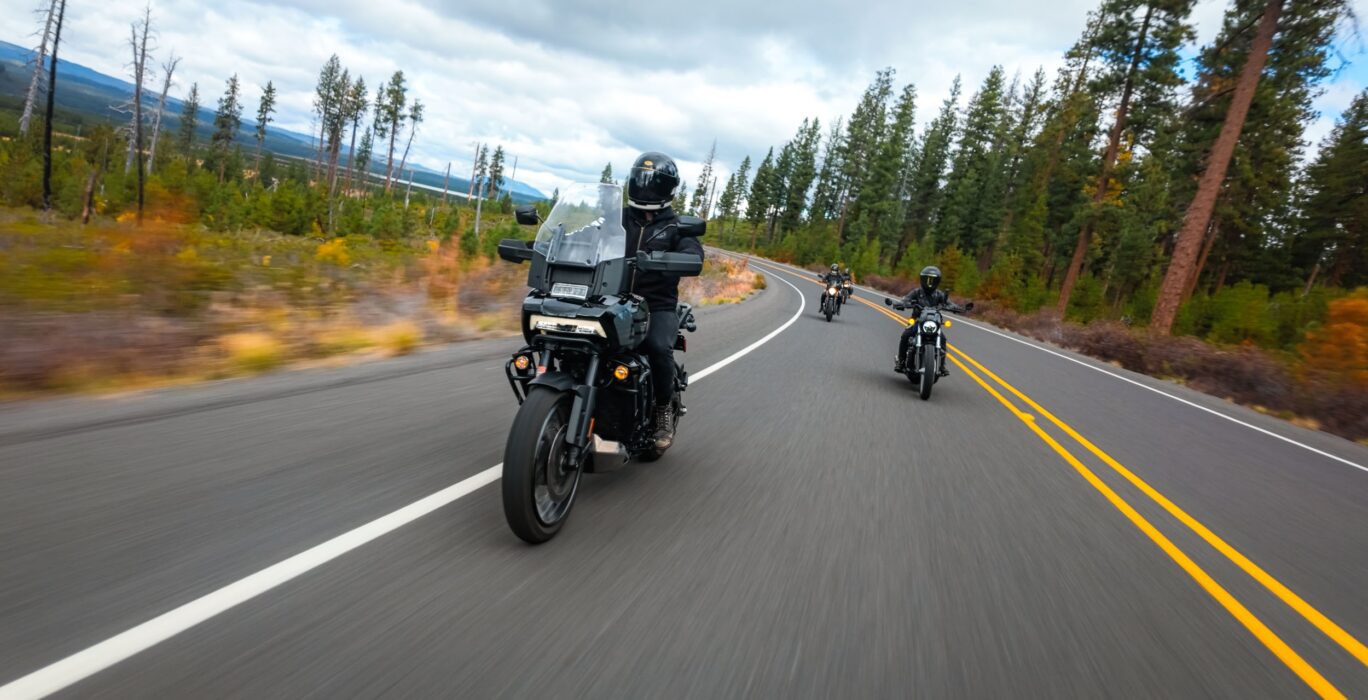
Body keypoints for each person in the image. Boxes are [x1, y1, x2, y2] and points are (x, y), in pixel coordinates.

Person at [623, 152, 704, 450]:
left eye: (652, 183)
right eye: (639, 180)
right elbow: (590, 236)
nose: (645, 188)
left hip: (656, 305)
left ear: (667, 188)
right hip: (613, 299)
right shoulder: (617, 218)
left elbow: (693, 254)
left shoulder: (676, 227)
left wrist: (680, 259)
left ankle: (662, 410)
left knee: (658, 347)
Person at [893, 265, 968, 374]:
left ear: (937, 281)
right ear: (923, 279)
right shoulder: (916, 292)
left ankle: (941, 365)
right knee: (906, 335)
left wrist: (958, 308)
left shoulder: (939, 294)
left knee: (942, 339)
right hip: (918, 321)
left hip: (934, 322)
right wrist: (899, 304)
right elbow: (906, 299)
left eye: (933, 280)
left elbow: (949, 303)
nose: (930, 282)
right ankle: (901, 361)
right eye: (927, 279)